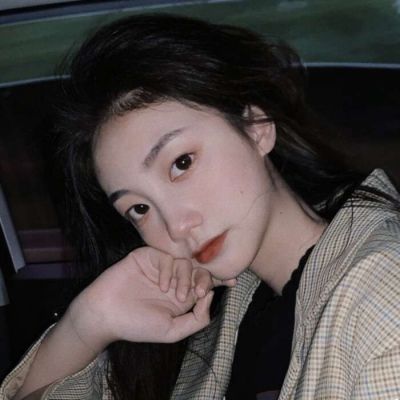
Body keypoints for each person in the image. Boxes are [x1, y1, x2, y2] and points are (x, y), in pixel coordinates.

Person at [1, 13, 400, 400]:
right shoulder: (230, 311)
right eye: (139, 209)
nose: (176, 226)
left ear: (256, 127)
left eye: (181, 163)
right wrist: (89, 321)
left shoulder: (381, 300)